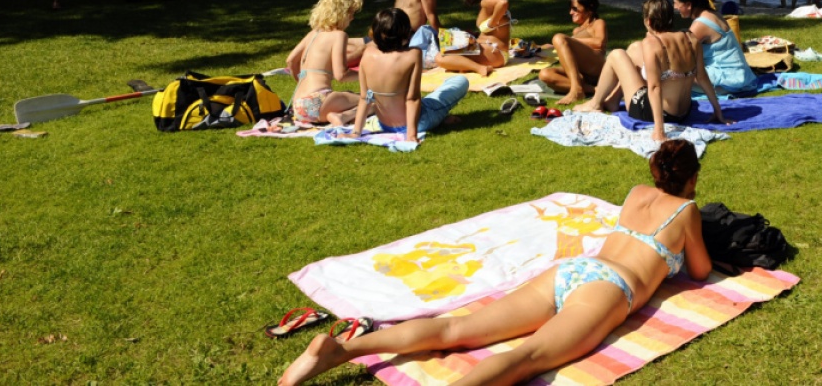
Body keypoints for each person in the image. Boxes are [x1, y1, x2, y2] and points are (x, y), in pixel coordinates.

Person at [279, 139, 710, 386]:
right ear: (691, 177)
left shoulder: (636, 193)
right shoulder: (686, 210)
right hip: (609, 289)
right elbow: (701, 270)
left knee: (457, 329)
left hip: (572, 270)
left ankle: (342, 350)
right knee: (529, 356)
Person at [575, 0, 729, 141]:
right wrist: (718, 112)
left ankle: (595, 104)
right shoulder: (691, 38)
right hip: (683, 112)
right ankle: (613, 100)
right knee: (635, 48)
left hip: (655, 113)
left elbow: (655, 87)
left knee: (617, 54)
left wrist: (659, 130)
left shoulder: (652, 43)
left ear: (648, 21)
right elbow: (702, 77)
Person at [342, 8, 467, 142]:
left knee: (428, 100)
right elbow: (412, 98)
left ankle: (439, 118)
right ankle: (439, 119)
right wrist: (411, 135)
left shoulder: (368, 53)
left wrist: (356, 132)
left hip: (384, 124)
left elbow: (365, 98)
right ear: (405, 32)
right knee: (460, 81)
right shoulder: (413, 54)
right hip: (417, 123)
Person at [286, 0, 362, 125]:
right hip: (318, 101)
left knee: (350, 95)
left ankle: (337, 114)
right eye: (351, 13)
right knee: (374, 99)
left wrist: (300, 81)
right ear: (342, 13)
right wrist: (366, 75)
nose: (352, 18)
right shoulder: (339, 35)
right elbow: (341, 75)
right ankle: (343, 116)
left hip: (298, 106)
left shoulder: (313, 33)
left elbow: (291, 61)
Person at [673, 0, 758, 97]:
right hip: (740, 76)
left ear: (688, 5)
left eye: (676, 3)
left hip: (728, 82)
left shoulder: (700, 25)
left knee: (671, 73)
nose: (675, 7)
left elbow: (679, 55)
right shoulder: (712, 14)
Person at [538, 0, 608, 104]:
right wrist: (553, 45)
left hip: (596, 67)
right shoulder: (577, 30)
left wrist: (568, 40)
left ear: (589, 9)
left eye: (575, 9)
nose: (571, 12)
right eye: (571, 9)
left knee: (558, 37)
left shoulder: (598, 23)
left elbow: (600, 43)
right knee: (544, 74)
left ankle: (577, 89)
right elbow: (570, 48)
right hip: (581, 73)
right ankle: (592, 89)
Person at [437, 0, 511, 76]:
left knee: (440, 57)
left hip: (494, 53)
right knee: (448, 44)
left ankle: (480, 68)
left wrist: (491, 23)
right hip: (495, 51)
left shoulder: (486, 0)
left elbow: (503, 3)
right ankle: (464, 65)